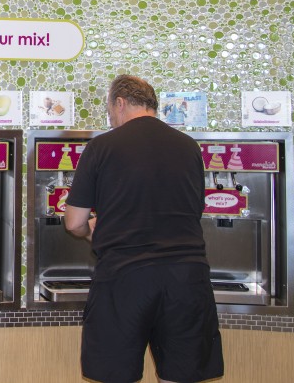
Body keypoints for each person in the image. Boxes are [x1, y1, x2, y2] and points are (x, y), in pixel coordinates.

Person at [64, 75, 223, 383]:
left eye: (109, 109)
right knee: (181, 376)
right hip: (187, 280)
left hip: (125, 279)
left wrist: (90, 231)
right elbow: (194, 210)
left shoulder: (102, 147)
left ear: (120, 102)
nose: (110, 117)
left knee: (117, 376)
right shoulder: (189, 147)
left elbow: (73, 221)